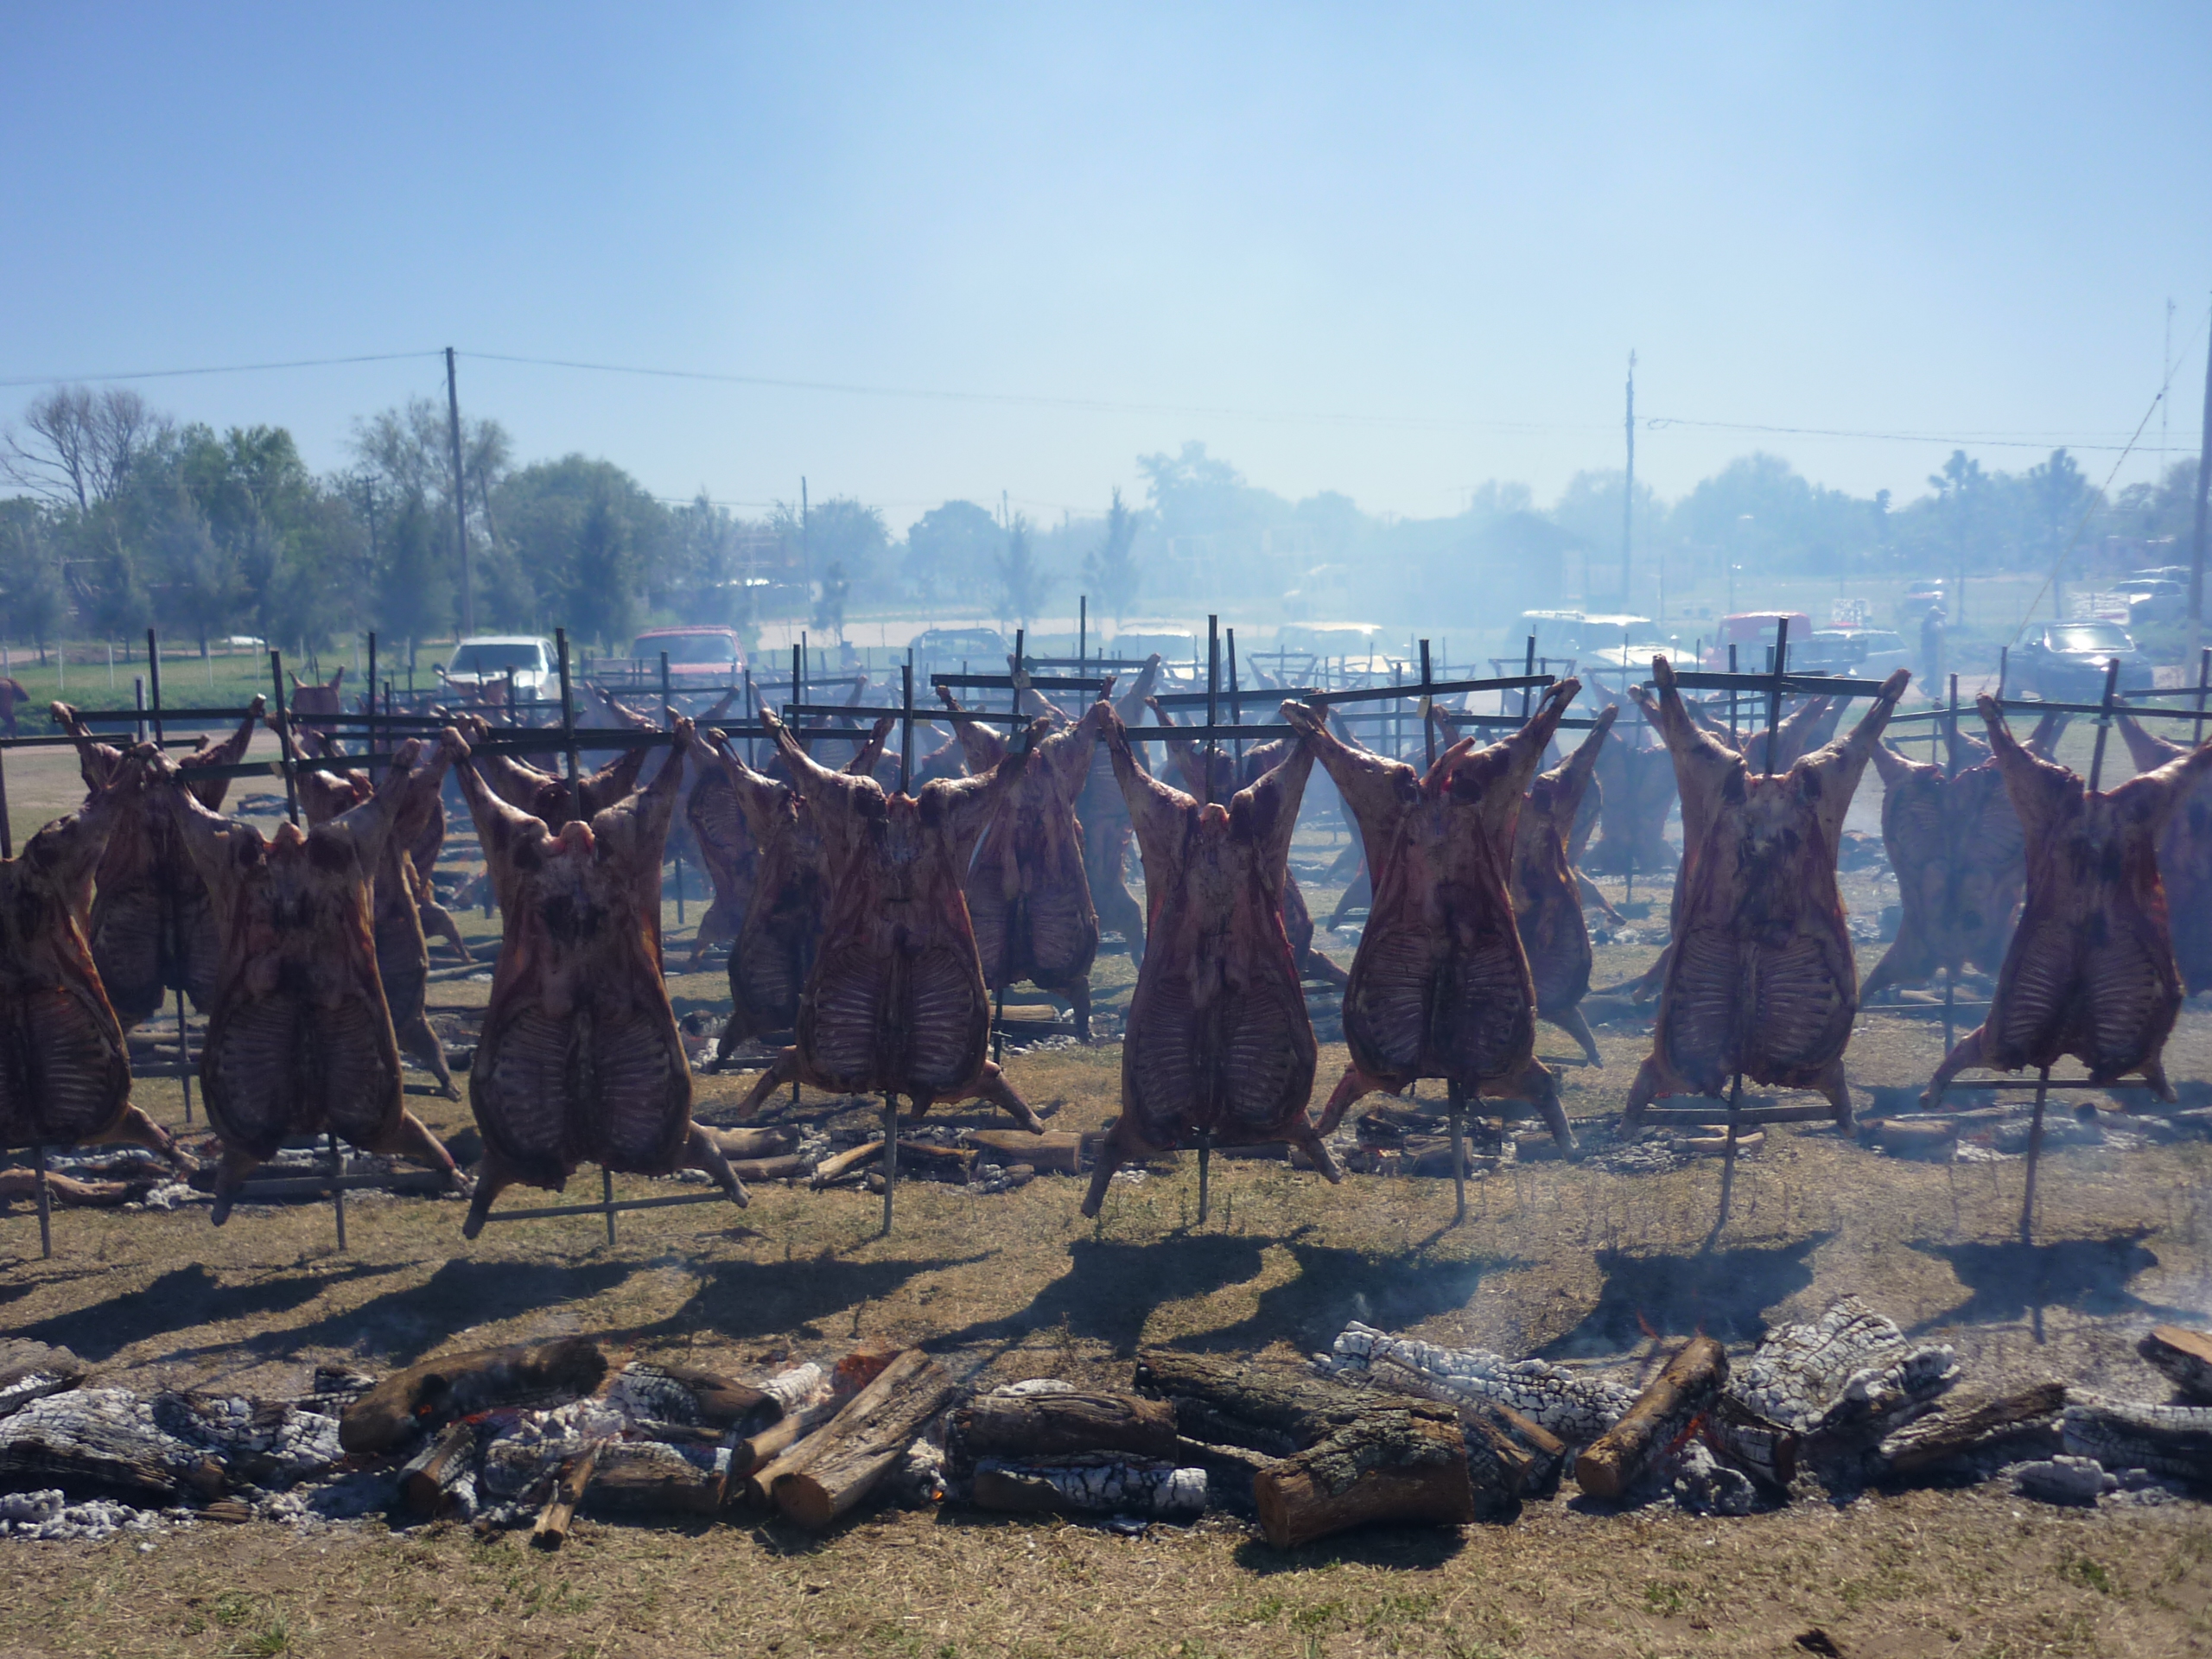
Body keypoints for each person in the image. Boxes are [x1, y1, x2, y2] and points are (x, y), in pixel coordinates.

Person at [1920, 606, 1946, 691]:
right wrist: (1942, 621)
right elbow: (1939, 629)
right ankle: (1924, 685)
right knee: (1932, 671)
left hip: (1929, 651)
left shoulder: (1927, 623)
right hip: (1931, 652)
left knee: (1932, 670)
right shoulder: (1931, 624)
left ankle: (1931, 689)